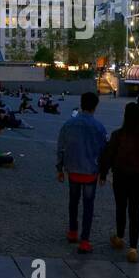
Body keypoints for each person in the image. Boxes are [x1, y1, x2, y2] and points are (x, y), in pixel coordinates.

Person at [98, 102, 139, 263]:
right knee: (135, 212)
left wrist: (103, 173)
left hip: (121, 176)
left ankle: (120, 237)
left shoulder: (118, 134)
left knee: (121, 207)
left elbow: (108, 155)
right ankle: (133, 249)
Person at [56, 92, 108, 253]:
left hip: (73, 170)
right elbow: (103, 152)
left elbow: (61, 148)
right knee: (88, 206)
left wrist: (60, 168)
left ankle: (72, 232)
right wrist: (103, 173)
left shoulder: (69, 124)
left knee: (73, 202)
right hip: (90, 173)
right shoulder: (99, 127)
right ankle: (85, 241)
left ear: (81, 103)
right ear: (95, 106)